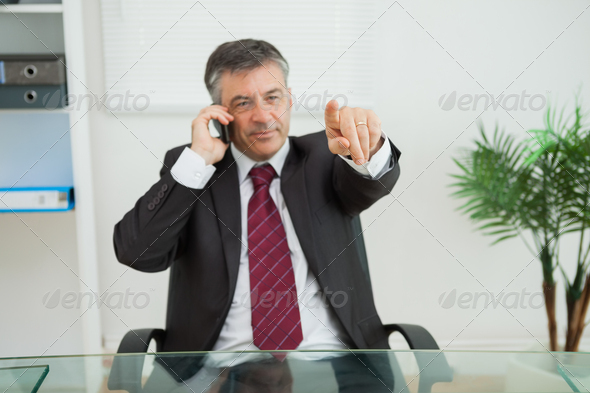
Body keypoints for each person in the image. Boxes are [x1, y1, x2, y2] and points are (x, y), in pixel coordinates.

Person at [113, 39, 402, 391]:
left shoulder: (326, 157)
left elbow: (370, 183)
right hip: (216, 365)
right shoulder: (194, 169)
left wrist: (366, 149)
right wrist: (196, 161)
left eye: (272, 97)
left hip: (332, 360)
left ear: (290, 99)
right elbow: (137, 252)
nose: (263, 116)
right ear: (220, 112)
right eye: (243, 102)